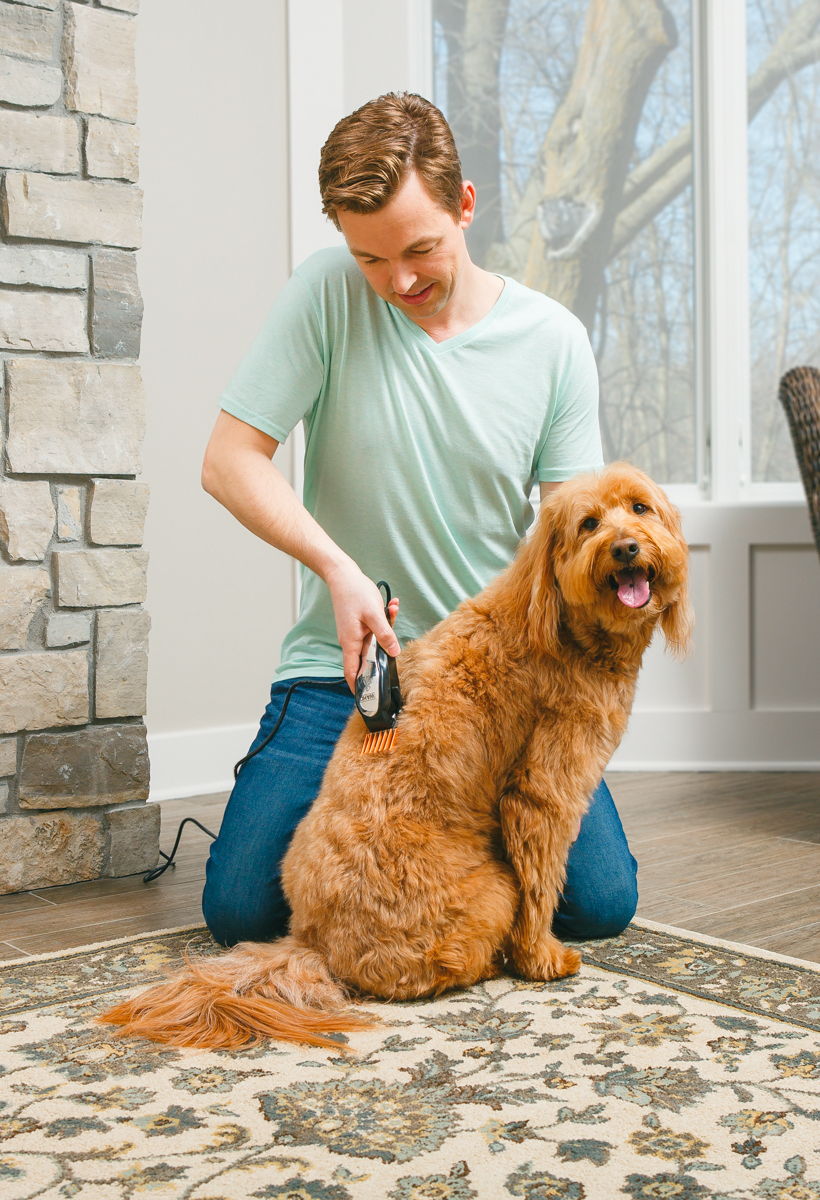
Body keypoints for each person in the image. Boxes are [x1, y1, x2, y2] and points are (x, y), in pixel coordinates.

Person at [200, 92, 638, 948]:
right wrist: (339, 568)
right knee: (242, 912)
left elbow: (575, 542)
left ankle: (442, 844)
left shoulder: (552, 342)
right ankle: (430, 843)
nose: (397, 282)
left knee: (598, 903)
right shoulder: (326, 296)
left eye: (419, 250)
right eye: (370, 258)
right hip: (350, 677)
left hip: (495, 683)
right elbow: (228, 461)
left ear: (465, 205)